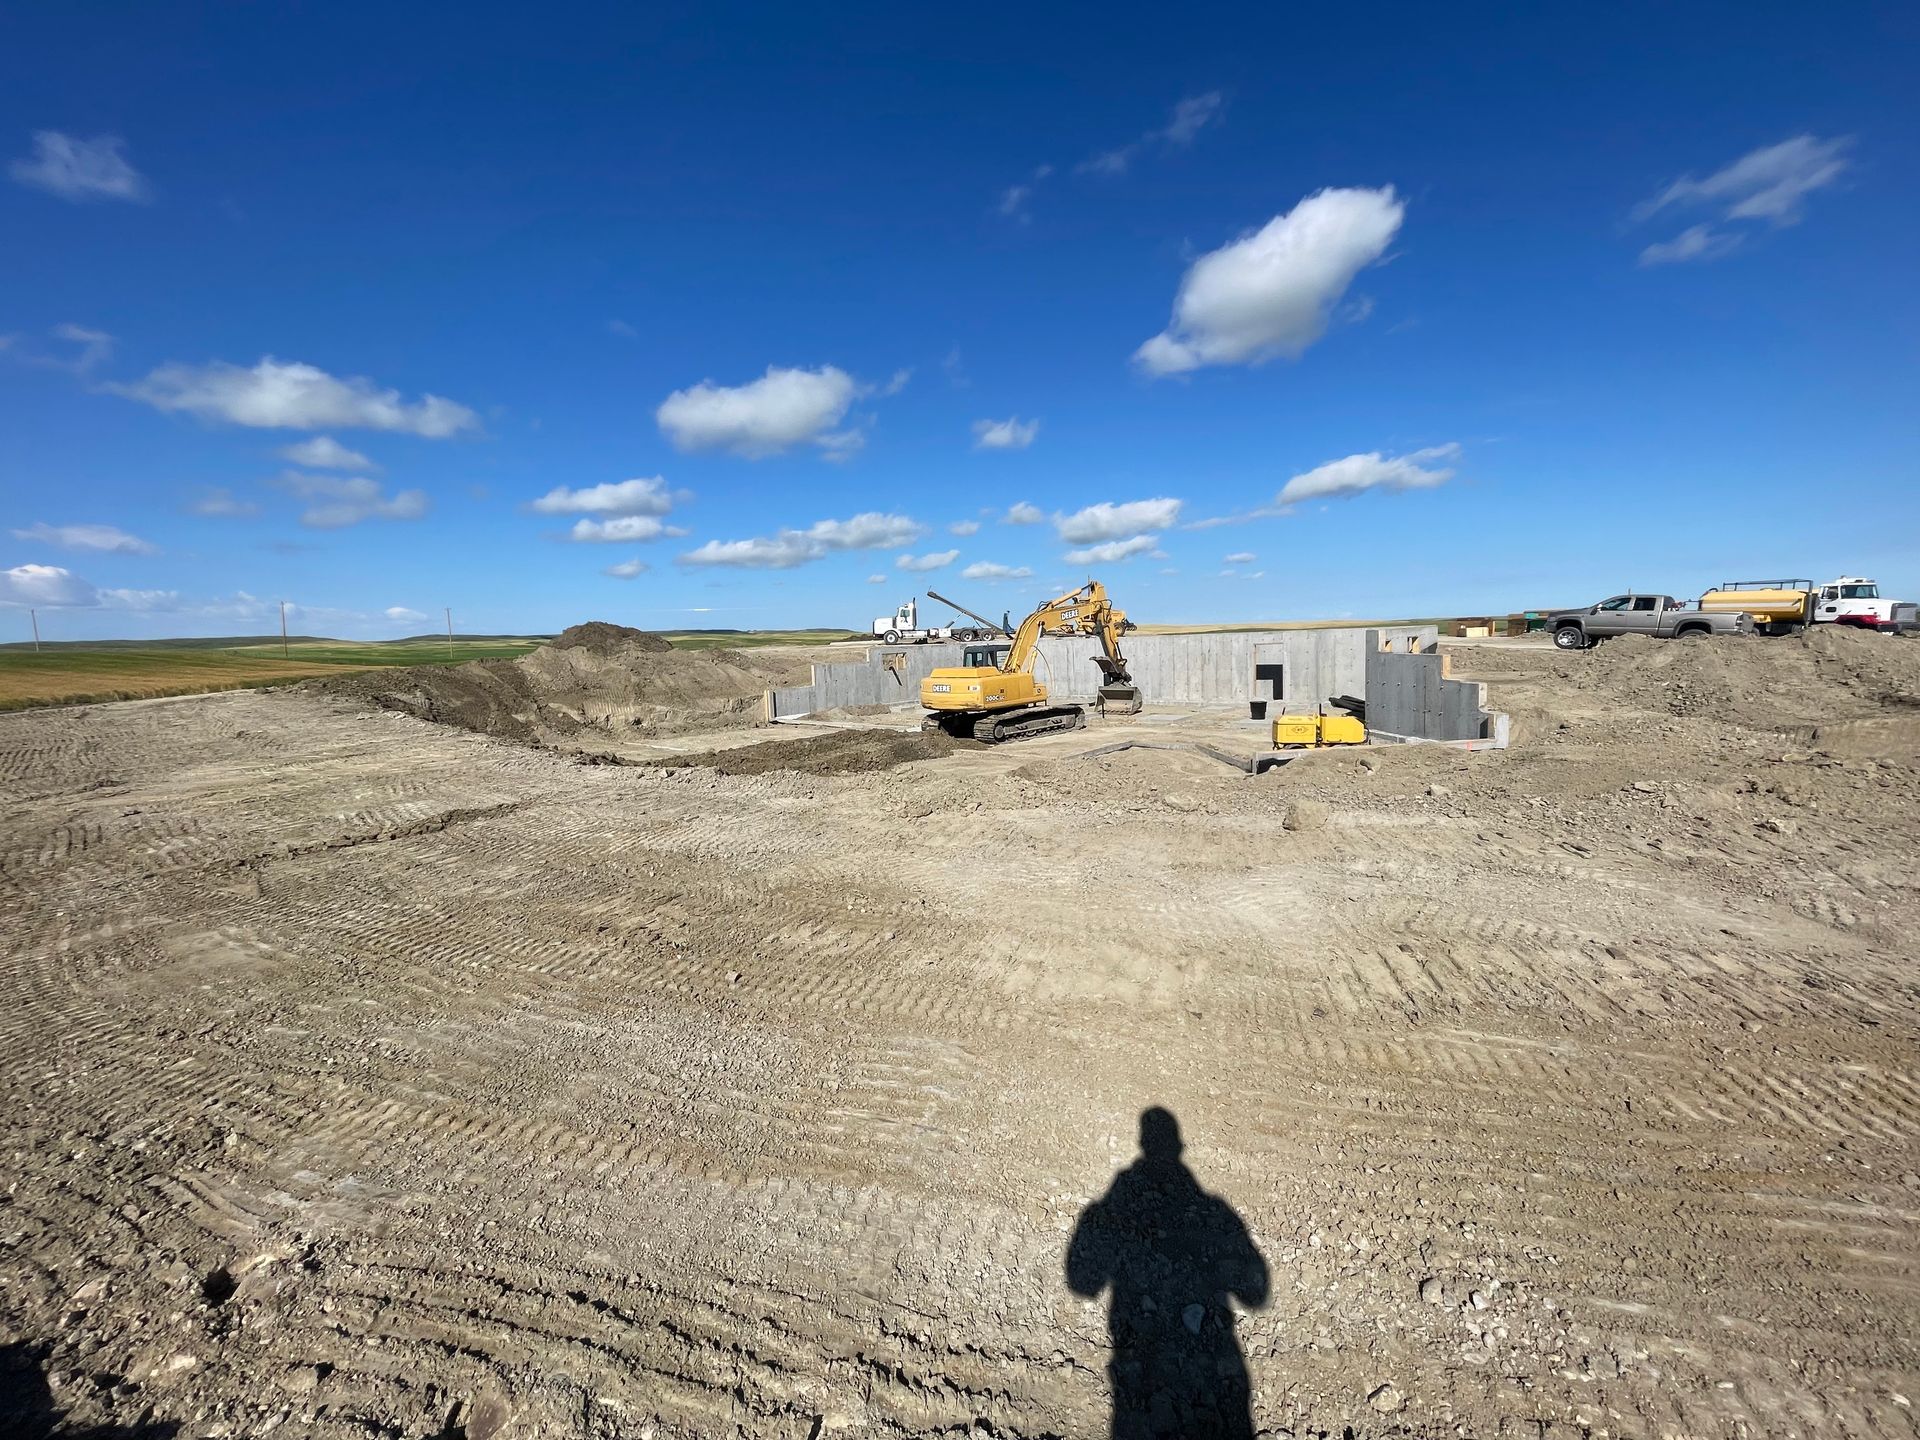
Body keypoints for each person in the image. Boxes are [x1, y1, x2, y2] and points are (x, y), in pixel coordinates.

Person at [1066, 1108, 1269, 1438]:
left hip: (1137, 1371)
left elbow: (1082, 1282)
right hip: (1212, 1372)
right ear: (1180, 1145)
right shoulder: (1215, 1210)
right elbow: (1256, 1295)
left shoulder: (1118, 1199)